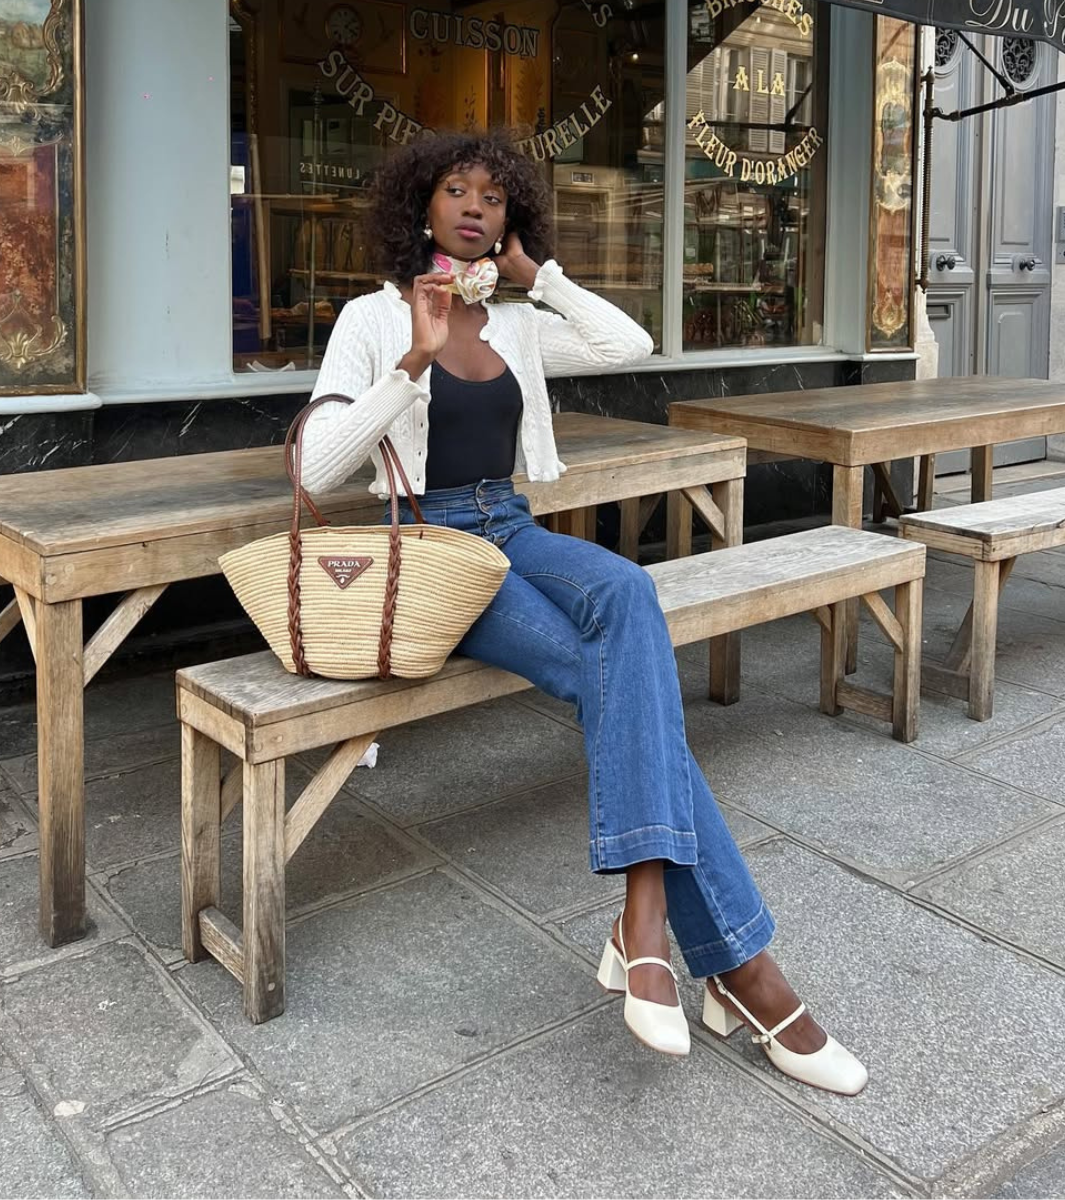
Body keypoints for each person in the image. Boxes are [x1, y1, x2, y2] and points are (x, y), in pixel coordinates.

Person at [300, 130, 867, 1095]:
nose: (474, 207)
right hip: (436, 551)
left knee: (629, 590)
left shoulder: (517, 318)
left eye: (493, 196)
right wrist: (411, 363)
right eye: (455, 191)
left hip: (513, 525)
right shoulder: (369, 318)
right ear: (421, 207)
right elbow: (318, 470)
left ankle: (644, 916)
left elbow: (630, 343)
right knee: (620, 684)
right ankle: (745, 969)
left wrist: (541, 275)